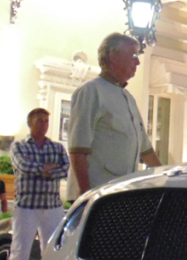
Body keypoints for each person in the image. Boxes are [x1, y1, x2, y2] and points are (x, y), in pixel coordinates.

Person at [68, 33, 160, 196]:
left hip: (120, 194)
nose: (137, 62)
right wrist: (87, 196)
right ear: (114, 56)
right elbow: (78, 151)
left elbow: (147, 152)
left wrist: (164, 181)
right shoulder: (91, 92)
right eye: (133, 55)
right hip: (99, 195)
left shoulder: (128, 99)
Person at [6, 108, 68, 260]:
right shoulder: (19, 146)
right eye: (39, 121)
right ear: (30, 123)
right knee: (20, 252)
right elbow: (23, 166)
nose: (44, 124)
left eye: (46, 121)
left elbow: (65, 168)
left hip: (52, 207)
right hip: (27, 207)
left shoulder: (56, 147)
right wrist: (46, 169)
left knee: (51, 254)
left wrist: (41, 169)